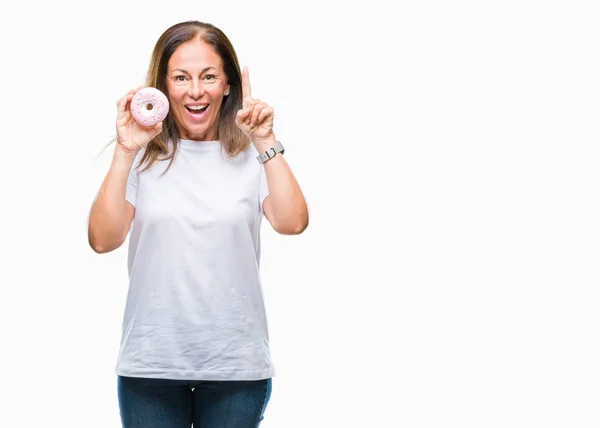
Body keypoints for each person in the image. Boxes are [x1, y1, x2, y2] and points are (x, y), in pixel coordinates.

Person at [87, 20, 309, 428]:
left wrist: (265, 141)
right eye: (181, 77)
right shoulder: (141, 156)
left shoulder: (253, 155)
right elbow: (103, 240)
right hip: (150, 366)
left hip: (235, 369)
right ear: (163, 85)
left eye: (209, 76)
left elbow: (293, 222)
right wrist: (123, 150)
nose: (194, 90)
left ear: (227, 85)